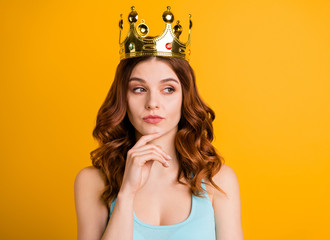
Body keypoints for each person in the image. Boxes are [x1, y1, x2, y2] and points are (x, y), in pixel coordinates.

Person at [74, 6, 244, 240]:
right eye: (139, 89)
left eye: (168, 89)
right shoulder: (93, 182)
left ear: (185, 97)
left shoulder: (218, 180)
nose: (152, 102)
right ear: (123, 97)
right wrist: (126, 193)